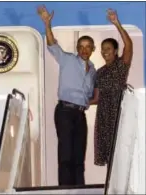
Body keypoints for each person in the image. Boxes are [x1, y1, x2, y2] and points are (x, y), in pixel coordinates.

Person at [37, 5, 96, 186]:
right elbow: (52, 45)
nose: (84, 50)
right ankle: (65, 189)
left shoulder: (93, 70)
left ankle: (79, 189)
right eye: (81, 46)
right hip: (64, 111)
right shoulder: (68, 59)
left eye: (88, 47)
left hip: (80, 114)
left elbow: (90, 97)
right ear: (77, 48)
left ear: (93, 49)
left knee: (79, 156)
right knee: (66, 155)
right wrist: (47, 24)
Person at [89, 9, 133, 166]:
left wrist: (116, 23)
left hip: (118, 114)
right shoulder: (99, 72)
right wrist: (79, 102)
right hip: (103, 117)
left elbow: (129, 44)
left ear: (115, 51)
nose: (104, 51)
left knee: (121, 154)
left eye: (108, 48)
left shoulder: (121, 66)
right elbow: (96, 98)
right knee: (108, 158)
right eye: (103, 49)